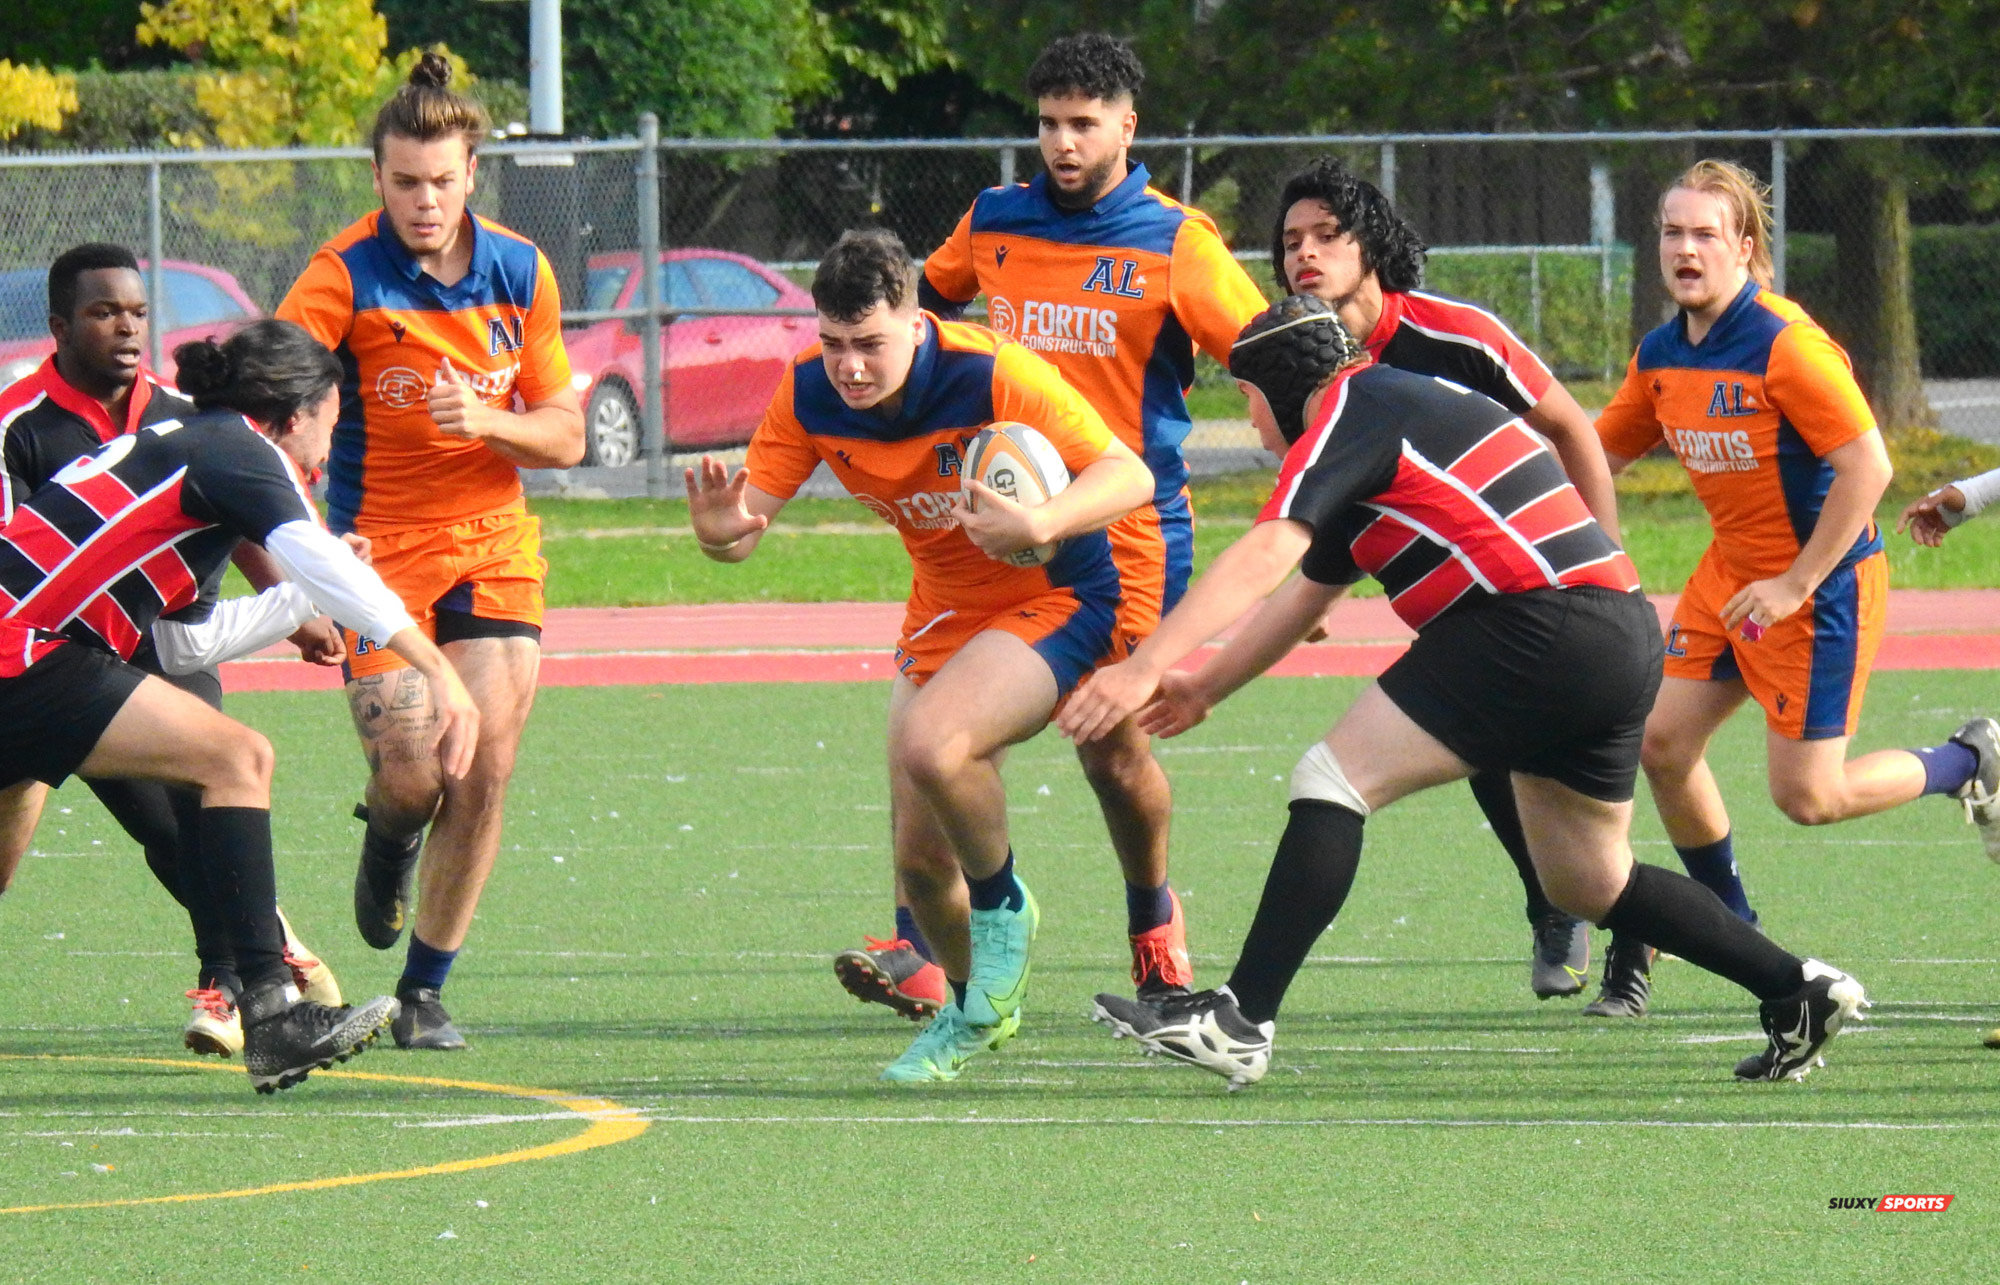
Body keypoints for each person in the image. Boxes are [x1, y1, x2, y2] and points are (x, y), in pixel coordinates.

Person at [1063, 294, 1869, 1090]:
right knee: (1588, 882)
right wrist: (1203, 685)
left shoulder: (1349, 402)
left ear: (1283, 384)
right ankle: (1795, 987)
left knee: (1333, 779)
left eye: (1246, 400)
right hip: (1616, 633)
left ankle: (1240, 1019)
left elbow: (1271, 547)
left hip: (1536, 621)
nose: (1251, 426)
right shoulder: (1387, 410)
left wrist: (1141, 666)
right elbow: (1306, 591)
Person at [828, 32, 1268, 1024]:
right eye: (1047, 123)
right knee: (929, 728)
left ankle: (1154, 925)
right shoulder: (992, 222)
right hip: (993, 530)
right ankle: (924, 945)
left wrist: (1304, 497)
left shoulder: (1176, 243)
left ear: (1126, 126)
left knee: (1107, 749)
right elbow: (914, 314)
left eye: (1082, 122)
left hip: (1126, 533)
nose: (1062, 141)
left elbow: (1268, 356)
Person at [688, 229, 1152, 1082]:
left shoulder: (992, 373)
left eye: (869, 343)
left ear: (914, 321)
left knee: (935, 744)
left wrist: (1040, 522)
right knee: (921, 864)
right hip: (944, 610)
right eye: (832, 344)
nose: (849, 366)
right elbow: (744, 525)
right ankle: (977, 1009)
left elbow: (1130, 476)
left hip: (1056, 594)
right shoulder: (807, 396)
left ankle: (1008, 906)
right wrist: (721, 537)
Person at [0, 320, 480, 1092]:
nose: (332, 445)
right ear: (297, 412)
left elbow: (182, 646)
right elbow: (321, 561)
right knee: (238, 758)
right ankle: (272, 1012)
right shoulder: (240, 449)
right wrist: (438, 671)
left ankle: (268, 1006)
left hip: (24, 647)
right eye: (333, 420)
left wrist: (292, 603)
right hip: (20, 651)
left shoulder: (193, 445)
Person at [1587, 159, 1996, 1017]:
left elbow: (1869, 465)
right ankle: (1732, 927)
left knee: (1808, 796)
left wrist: (1796, 580)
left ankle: (1969, 760)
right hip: (1731, 576)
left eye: (1705, 234)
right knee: (1660, 744)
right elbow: (1591, 458)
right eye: (1672, 231)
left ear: (1744, 247)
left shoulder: (1786, 343)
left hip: (1823, 583)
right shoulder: (1661, 357)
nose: (1685, 248)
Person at [277, 54, 585, 1050]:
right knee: (414, 773)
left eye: (441, 181)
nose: (423, 201)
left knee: (484, 762)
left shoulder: (518, 270)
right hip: (381, 555)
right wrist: (306, 548)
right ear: (376, 178)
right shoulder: (339, 276)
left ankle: (424, 989)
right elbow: (264, 407)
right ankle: (390, 832)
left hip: (493, 545)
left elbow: (566, 435)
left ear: (471, 173)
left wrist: (489, 416)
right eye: (404, 182)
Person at [1269, 157, 1620, 1000]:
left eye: (1328, 234)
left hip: (1544, 573)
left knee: (1587, 759)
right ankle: (1564, 904)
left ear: (1372, 245)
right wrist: (1306, 589)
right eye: (1290, 241)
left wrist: (1609, 561)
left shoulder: (1453, 332)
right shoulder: (1297, 356)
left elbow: (1573, 431)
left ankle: (1623, 915)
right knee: (1488, 749)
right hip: (1444, 584)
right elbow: (1316, 482)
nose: (1305, 254)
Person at [0, 242, 346, 1057]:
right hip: (59, 654)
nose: (125, 328)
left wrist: (292, 607)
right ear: (58, 326)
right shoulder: (19, 423)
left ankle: (233, 980)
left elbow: (242, 509)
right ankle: (271, 955)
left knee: (201, 793)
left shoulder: (181, 410)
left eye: (137, 312)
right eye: (102, 312)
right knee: (69, 839)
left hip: (168, 646)